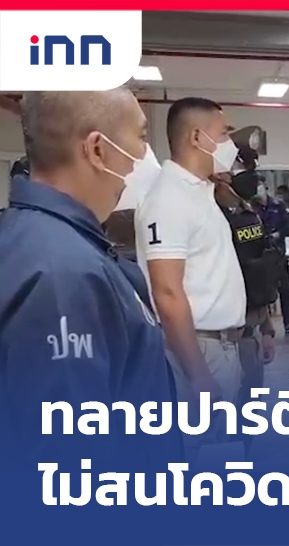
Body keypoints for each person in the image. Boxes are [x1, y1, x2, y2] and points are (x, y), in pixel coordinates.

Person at [0, 90, 178, 467]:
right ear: (98, 150)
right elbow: (65, 463)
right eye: (142, 138)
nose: (146, 157)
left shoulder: (53, 243)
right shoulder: (62, 274)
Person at [135, 97, 246, 457]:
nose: (230, 144)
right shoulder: (169, 198)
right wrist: (197, 372)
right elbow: (166, 291)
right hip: (199, 347)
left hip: (221, 345)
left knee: (220, 450)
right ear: (198, 137)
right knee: (200, 453)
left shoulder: (200, 193)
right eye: (224, 133)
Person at [213, 169, 280, 411]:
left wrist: (267, 330)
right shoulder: (210, 219)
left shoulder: (249, 218)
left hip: (248, 330)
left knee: (249, 405)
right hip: (219, 336)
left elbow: (258, 275)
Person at [255, 185, 289, 336]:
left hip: (278, 254)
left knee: (285, 289)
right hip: (260, 256)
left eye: (259, 186)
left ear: (265, 188)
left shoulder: (278, 205)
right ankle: (262, 326)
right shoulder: (252, 207)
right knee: (260, 291)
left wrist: (278, 234)